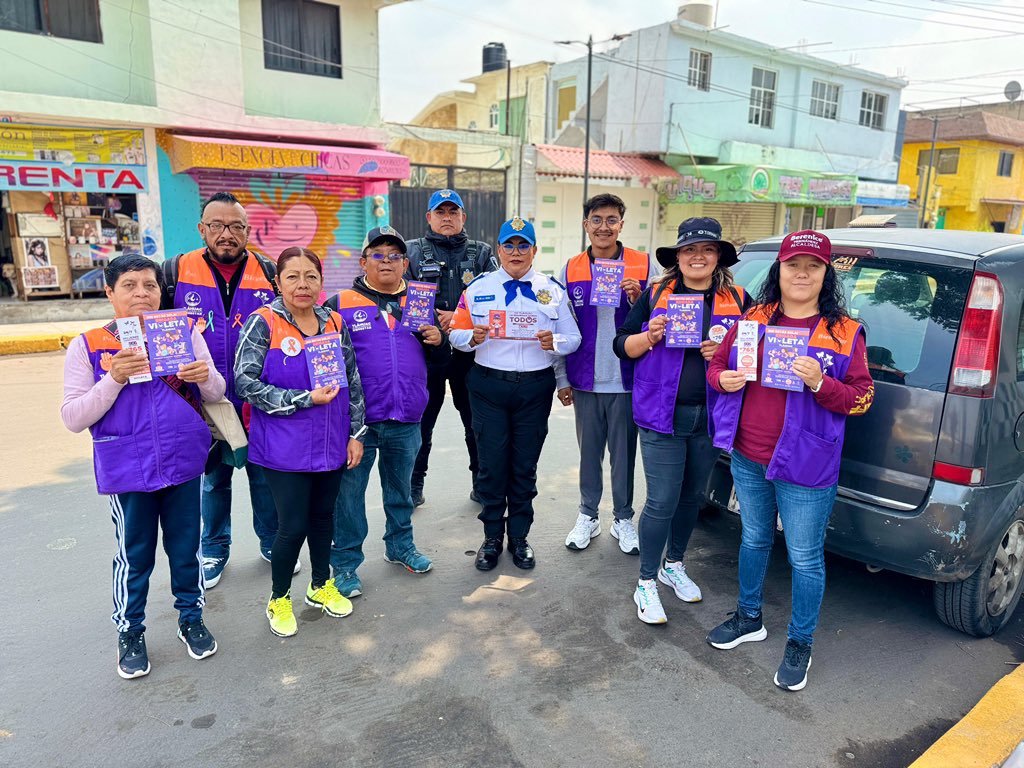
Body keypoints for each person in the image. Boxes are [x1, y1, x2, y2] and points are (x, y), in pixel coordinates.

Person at [705, 230, 874, 692]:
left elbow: (862, 398)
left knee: (804, 558)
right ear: (778, 269)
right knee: (754, 540)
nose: (801, 274)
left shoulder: (843, 332)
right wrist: (726, 381)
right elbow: (715, 368)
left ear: (826, 274)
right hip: (749, 454)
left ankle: (800, 641)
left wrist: (822, 383)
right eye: (792, 264)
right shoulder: (753, 317)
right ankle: (748, 616)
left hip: (807, 464)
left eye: (812, 266)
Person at [60, 255, 225, 679]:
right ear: (110, 292)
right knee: (134, 556)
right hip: (127, 467)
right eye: (130, 285)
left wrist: (203, 375)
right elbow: (73, 417)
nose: (141, 293)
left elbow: (217, 391)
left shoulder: (182, 332)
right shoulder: (90, 344)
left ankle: (191, 618)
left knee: (186, 548)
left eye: (150, 285)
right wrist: (112, 377)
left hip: (183, 461)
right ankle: (130, 630)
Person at [613, 217, 750, 626]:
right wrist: (650, 336)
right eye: (690, 250)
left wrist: (723, 355)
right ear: (678, 257)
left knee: (693, 497)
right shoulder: (656, 294)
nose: (698, 257)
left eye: (707, 250)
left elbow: (754, 355)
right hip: (661, 416)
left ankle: (674, 564)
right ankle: (646, 583)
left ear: (718, 257)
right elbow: (622, 345)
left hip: (711, 417)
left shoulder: (740, 299)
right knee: (662, 500)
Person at [234, 247, 366, 638]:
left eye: (311, 276)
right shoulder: (264, 323)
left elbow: (353, 382)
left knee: (324, 519)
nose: (303, 285)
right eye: (292, 276)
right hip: (282, 448)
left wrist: (355, 434)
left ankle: (320, 585)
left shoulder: (334, 322)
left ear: (321, 282)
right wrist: (301, 399)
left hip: (331, 442)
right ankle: (278, 598)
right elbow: (243, 382)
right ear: (278, 281)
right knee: (291, 526)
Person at [449, 217, 581, 571]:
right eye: (509, 245)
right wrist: (471, 338)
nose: (516, 252)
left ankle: (519, 537)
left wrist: (557, 342)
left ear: (535, 250)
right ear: (499, 250)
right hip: (489, 385)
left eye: (524, 245)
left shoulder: (552, 290)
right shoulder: (477, 288)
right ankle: (492, 538)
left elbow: (574, 338)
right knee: (492, 467)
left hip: (535, 388)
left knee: (524, 467)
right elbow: (456, 335)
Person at [326, 227, 449, 598]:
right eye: (377, 254)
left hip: (407, 417)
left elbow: (440, 364)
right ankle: (345, 564)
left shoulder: (421, 301)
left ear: (405, 263)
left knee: (401, 493)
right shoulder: (339, 303)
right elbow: (327, 362)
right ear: (363, 261)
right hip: (359, 423)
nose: (386, 261)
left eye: (394, 255)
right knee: (348, 499)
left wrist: (439, 342)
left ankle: (400, 547)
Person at [169, 191, 281, 588]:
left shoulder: (269, 271)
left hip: (259, 396)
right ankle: (214, 548)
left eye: (235, 226)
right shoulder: (175, 271)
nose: (226, 234)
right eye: (217, 225)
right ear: (202, 229)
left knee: (264, 474)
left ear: (248, 231)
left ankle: (272, 541)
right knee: (214, 479)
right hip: (203, 400)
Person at [556, 193, 658, 556]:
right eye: (596, 219)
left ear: (621, 225)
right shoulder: (569, 270)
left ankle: (623, 517)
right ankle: (588, 514)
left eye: (611, 219)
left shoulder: (644, 267)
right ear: (586, 224)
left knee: (624, 454)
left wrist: (640, 298)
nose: (604, 227)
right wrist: (562, 378)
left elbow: (666, 321)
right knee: (589, 454)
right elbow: (558, 325)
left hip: (629, 379)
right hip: (585, 378)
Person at [405, 189, 496, 506]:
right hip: (425, 352)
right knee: (421, 422)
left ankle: (482, 483)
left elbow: (496, 296)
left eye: (452, 212)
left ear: (463, 217)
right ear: (429, 217)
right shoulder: (411, 252)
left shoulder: (481, 253)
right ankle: (414, 485)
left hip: (471, 354)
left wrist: (457, 319)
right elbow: (401, 297)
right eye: (440, 212)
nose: (447, 217)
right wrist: (436, 321)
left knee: (477, 422)